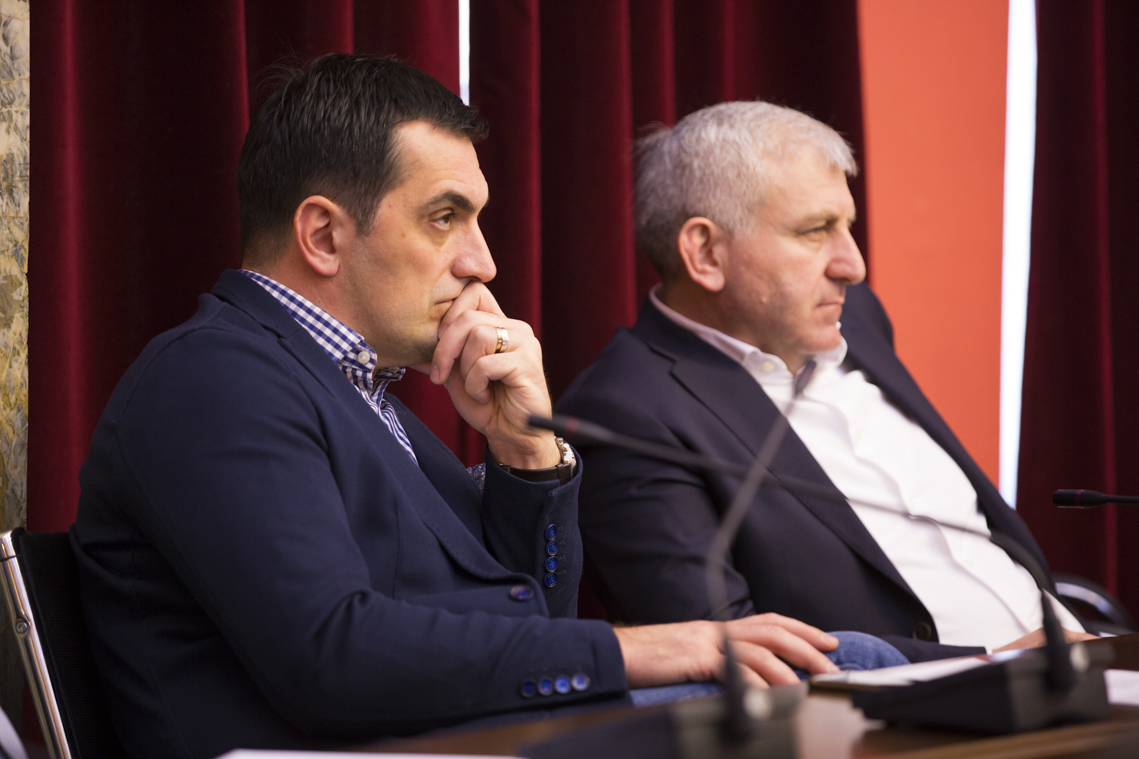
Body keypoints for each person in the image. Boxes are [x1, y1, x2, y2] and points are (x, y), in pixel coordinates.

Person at [70, 58, 906, 759]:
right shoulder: (216, 377)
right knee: (845, 674)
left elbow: (525, 611)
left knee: (845, 670)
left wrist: (525, 458)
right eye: (444, 218)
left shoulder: (359, 388)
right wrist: (646, 643)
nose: (482, 261)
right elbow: (330, 656)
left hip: (466, 737)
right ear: (323, 236)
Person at [557, 101, 1096, 664]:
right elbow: (729, 654)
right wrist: (993, 665)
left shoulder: (855, 317)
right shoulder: (621, 414)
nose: (853, 266)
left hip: (1089, 655)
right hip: (948, 706)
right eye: (815, 231)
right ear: (706, 253)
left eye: (847, 227)